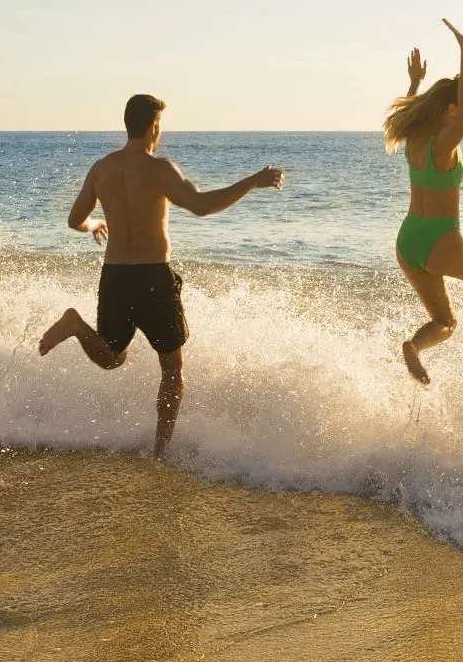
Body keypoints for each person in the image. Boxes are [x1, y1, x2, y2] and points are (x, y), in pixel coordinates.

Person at [37, 94, 282, 457]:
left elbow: (75, 220)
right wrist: (252, 181)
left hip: (115, 275)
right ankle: (160, 450)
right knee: (171, 370)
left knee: (111, 356)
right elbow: (202, 206)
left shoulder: (101, 168)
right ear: (153, 127)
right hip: (153, 277)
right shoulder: (159, 169)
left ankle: (75, 324)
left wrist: (95, 226)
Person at [387, 19, 463, 385]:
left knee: (445, 322)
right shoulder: (442, 146)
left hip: (408, 242)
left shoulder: (415, 137)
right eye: (462, 110)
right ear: (450, 109)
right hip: (441, 240)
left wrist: (416, 82)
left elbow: (408, 110)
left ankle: (415, 346)